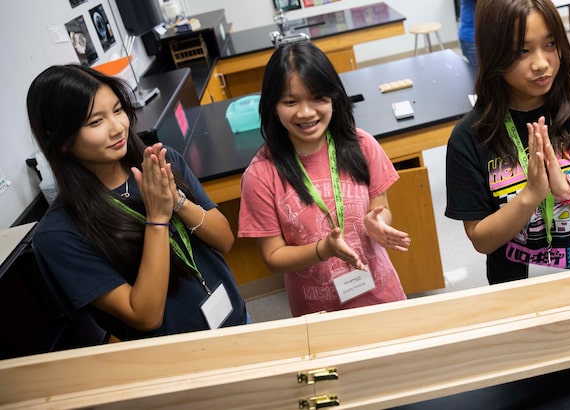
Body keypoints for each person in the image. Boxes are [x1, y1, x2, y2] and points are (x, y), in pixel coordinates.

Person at [28, 65, 247, 341]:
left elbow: (225, 240)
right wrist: (157, 217)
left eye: (118, 110)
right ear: (58, 140)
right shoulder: (59, 233)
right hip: (175, 359)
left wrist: (177, 201)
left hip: (235, 317)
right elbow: (145, 315)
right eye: (96, 122)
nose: (118, 127)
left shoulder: (162, 164)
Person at [445, 0, 570, 285]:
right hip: (519, 289)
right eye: (522, 51)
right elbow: (481, 239)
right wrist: (531, 195)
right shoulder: (470, 137)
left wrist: (567, 191)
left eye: (550, 44)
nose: (541, 63)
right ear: (494, 54)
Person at [237, 41, 410, 316]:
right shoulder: (260, 175)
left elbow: (382, 209)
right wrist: (323, 249)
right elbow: (273, 256)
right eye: (290, 101)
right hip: (319, 313)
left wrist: (378, 224)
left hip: (382, 296)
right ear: (272, 105)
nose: (306, 112)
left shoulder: (362, 145)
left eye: (318, 98)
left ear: (334, 98)